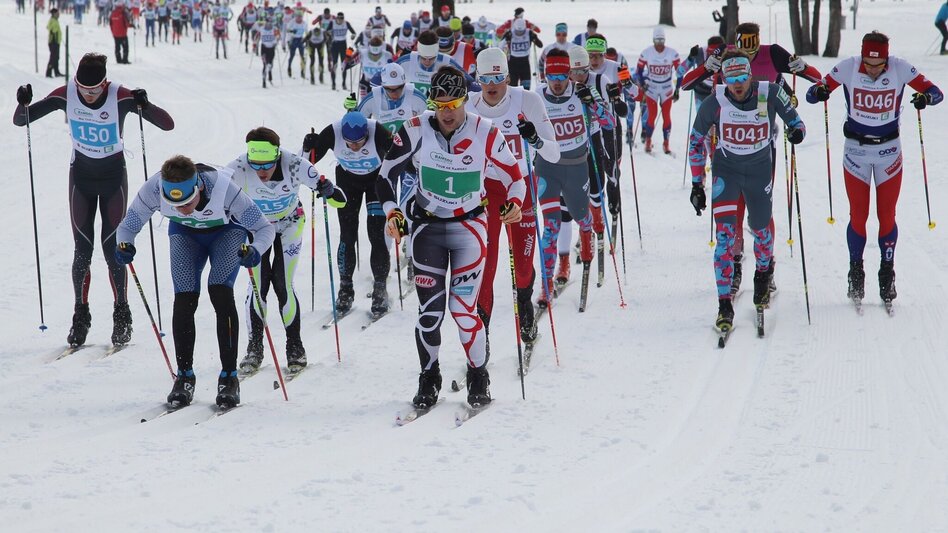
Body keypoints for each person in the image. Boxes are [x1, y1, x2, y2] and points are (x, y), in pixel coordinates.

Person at [378, 66, 525, 409]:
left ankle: (478, 374)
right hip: (426, 229)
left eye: (454, 103)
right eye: (439, 104)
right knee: (430, 312)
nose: (446, 112)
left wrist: (515, 203)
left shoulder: (485, 131)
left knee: (463, 311)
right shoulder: (414, 129)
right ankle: (429, 376)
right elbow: (385, 177)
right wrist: (392, 212)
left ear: (465, 100)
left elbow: (515, 178)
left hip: (469, 229)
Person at [13, 53, 174, 348]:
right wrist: (22, 101)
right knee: (82, 249)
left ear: (105, 83)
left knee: (113, 248)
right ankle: (81, 314)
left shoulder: (120, 96)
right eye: (83, 89)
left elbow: (167, 125)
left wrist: (145, 104)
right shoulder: (66, 94)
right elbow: (21, 120)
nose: (87, 95)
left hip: (114, 180)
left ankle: (122, 312)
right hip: (81, 180)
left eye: (94, 89)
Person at [115, 155, 275, 408]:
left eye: (188, 202)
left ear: (199, 187)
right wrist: (124, 245)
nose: (182, 209)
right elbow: (128, 226)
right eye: (174, 205)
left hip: (226, 233)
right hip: (185, 234)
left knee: (220, 292)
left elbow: (265, 229)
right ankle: (184, 376)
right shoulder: (154, 188)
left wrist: (255, 250)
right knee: (184, 298)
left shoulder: (225, 189)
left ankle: (229, 378)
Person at [806, 31, 942, 307]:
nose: (873, 70)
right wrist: (820, 91)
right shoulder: (847, 67)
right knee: (859, 214)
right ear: (862, 55)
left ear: (887, 59)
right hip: (855, 151)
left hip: (889, 152)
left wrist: (924, 99)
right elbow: (812, 93)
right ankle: (856, 272)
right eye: (868, 63)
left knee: (886, 215)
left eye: (879, 65)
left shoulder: (901, 68)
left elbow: (936, 92)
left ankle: (886, 272)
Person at [687, 51, 805, 330]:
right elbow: (694, 141)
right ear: (724, 79)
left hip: (759, 171)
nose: (738, 84)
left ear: (751, 75)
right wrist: (696, 184)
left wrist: (795, 132)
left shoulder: (770, 92)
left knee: (761, 229)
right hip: (726, 173)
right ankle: (724, 304)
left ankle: (763, 274)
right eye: (732, 79)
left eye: (742, 77)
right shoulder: (715, 100)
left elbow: (796, 122)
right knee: (725, 238)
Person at [226, 128, 345, 374]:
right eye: (255, 165)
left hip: (290, 223)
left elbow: (340, 200)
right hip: (256, 227)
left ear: (277, 155)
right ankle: (254, 347)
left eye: (267, 165)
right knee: (259, 284)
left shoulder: (294, 165)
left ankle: (295, 346)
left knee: (282, 283)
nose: (261, 171)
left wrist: (329, 191)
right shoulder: (237, 167)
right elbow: (215, 193)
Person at [470, 48, 559, 344]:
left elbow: (554, 153)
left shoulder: (527, 101)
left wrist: (534, 138)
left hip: (520, 186)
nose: (492, 85)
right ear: (477, 78)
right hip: (485, 192)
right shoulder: (469, 105)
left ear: (508, 76)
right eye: (485, 78)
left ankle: (524, 302)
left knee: (522, 266)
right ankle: (482, 329)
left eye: (498, 77)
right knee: (486, 262)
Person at [534, 48, 612, 306]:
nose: (556, 82)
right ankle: (547, 283)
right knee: (551, 226)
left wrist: (593, 102)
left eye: (561, 75)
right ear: (544, 75)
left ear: (569, 73)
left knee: (580, 216)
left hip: (577, 167)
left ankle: (588, 231)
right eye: (551, 76)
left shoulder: (582, 94)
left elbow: (609, 122)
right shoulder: (535, 97)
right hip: (547, 168)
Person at [302, 112, 394, 318]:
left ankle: (380, 290)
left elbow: (399, 156)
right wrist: (308, 147)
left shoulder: (377, 130)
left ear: (366, 135)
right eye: (349, 143)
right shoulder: (333, 132)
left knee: (377, 235)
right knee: (347, 236)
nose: (354, 147)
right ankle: (345, 289)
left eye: (359, 142)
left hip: (375, 183)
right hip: (347, 183)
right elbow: (305, 165)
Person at [635, 26, 682, 154]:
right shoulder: (647, 52)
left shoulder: (672, 53)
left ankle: (666, 143)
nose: (660, 45)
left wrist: (677, 89)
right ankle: (648, 140)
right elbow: (638, 71)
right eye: (657, 41)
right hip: (652, 88)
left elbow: (680, 73)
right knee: (652, 116)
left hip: (666, 88)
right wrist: (643, 84)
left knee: (666, 116)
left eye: (662, 41)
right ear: (653, 40)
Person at [394, 30, 470, 97]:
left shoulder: (447, 62)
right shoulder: (405, 61)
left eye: (431, 58)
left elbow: (470, 82)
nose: (427, 62)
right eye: (423, 58)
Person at [501, 19, 542, 90]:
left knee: (526, 88)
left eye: (521, 32)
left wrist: (535, 38)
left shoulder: (529, 33)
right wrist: (506, 38)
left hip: (525, 64)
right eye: (518, 32)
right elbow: (500, 45)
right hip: (512, 64)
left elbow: (540, 45)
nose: (519, 33)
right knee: (512, 88)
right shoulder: (510, 33)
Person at [328, 12, 357, 91]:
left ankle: (343, 83)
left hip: (343, 45)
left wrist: (353, 35)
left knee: (344, 64)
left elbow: (353, 32)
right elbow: (326, 31)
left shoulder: (346, 23)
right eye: (339, 18)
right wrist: (329, 33)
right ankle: (333, 83)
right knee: (334, 64)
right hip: (334, 45)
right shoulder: (332, 23)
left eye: (342, 19)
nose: (340, 20)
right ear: (336, 18)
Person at [255, 17, 280, 88]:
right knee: (265, 64)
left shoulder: (274, 29)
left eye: (270, 23)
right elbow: (257, 35)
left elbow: (278, 37)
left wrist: (276, 42)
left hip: (271, 48)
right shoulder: (262, 28)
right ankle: (264, 81)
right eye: (267, 22)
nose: (269, 24)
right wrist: (255, 44)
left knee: (270, 64)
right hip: (264, 48)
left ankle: (270, 73)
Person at [110, 0, 134, 65]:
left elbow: (111, 24)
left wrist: (113, 32)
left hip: (115, 34)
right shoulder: (123, 13)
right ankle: (125, 59)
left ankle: (118, 60)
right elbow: (126, 23)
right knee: (125, 47)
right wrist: (131, 25)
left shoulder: (113, 13)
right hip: (123, 34)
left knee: (117, 47)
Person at [284, 13, 307, 78]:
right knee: (292, 55)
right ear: (296, 17)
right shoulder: (292, 22)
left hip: (300, 40)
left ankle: (302, 71)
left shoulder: (304, 23)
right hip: (293, 40)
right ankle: (289, 68)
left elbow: (306, 32)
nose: (299, 18)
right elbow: (287, 30)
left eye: (300, 17)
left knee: (302, 56)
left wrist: (307, 40)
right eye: (298, 17)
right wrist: (292, 31)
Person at [47, 9, 65, 78]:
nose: (58, 15)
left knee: (56, 57)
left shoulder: (55, 20)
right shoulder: (53, 21)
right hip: (53, 42)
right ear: (54, 14)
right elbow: (52, 30)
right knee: (53, 57)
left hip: (56, 42)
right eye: (57, 14)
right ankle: (49, 72)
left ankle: (56, 71)